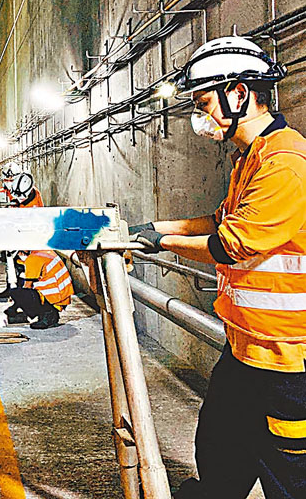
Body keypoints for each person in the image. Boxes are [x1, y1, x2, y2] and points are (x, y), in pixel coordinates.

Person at [129, 36, 305, 499]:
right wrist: (153, 227)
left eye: (204, 102)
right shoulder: (252, 157)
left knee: (288, 476)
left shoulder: (286, 162)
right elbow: (220, 219)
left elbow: (232, 244)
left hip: (287, 360)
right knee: (220, 452)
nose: (199, 117)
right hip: (244, 348)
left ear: (239, 94)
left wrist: (162, 244)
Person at [5, 251, 73, 329]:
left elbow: (27, 286)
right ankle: (46, 314)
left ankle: (48, 316)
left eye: (19, 253)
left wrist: (16, 305)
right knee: (23, 291)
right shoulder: (44, 252)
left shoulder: (33, 259)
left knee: (16, 293)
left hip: (54, 297)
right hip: (62, 294)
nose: (20, 255)